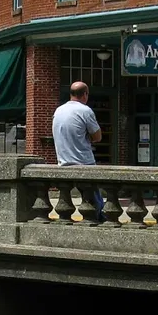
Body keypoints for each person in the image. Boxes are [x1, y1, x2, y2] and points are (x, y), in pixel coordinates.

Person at [52, 81, 106, 219]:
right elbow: (98, 136)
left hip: (63, 162)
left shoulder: (58, 110)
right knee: (95, 203)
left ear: (71, 94)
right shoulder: (85, 110)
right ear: (85, 94)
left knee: (64, 203)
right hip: (83, 162)